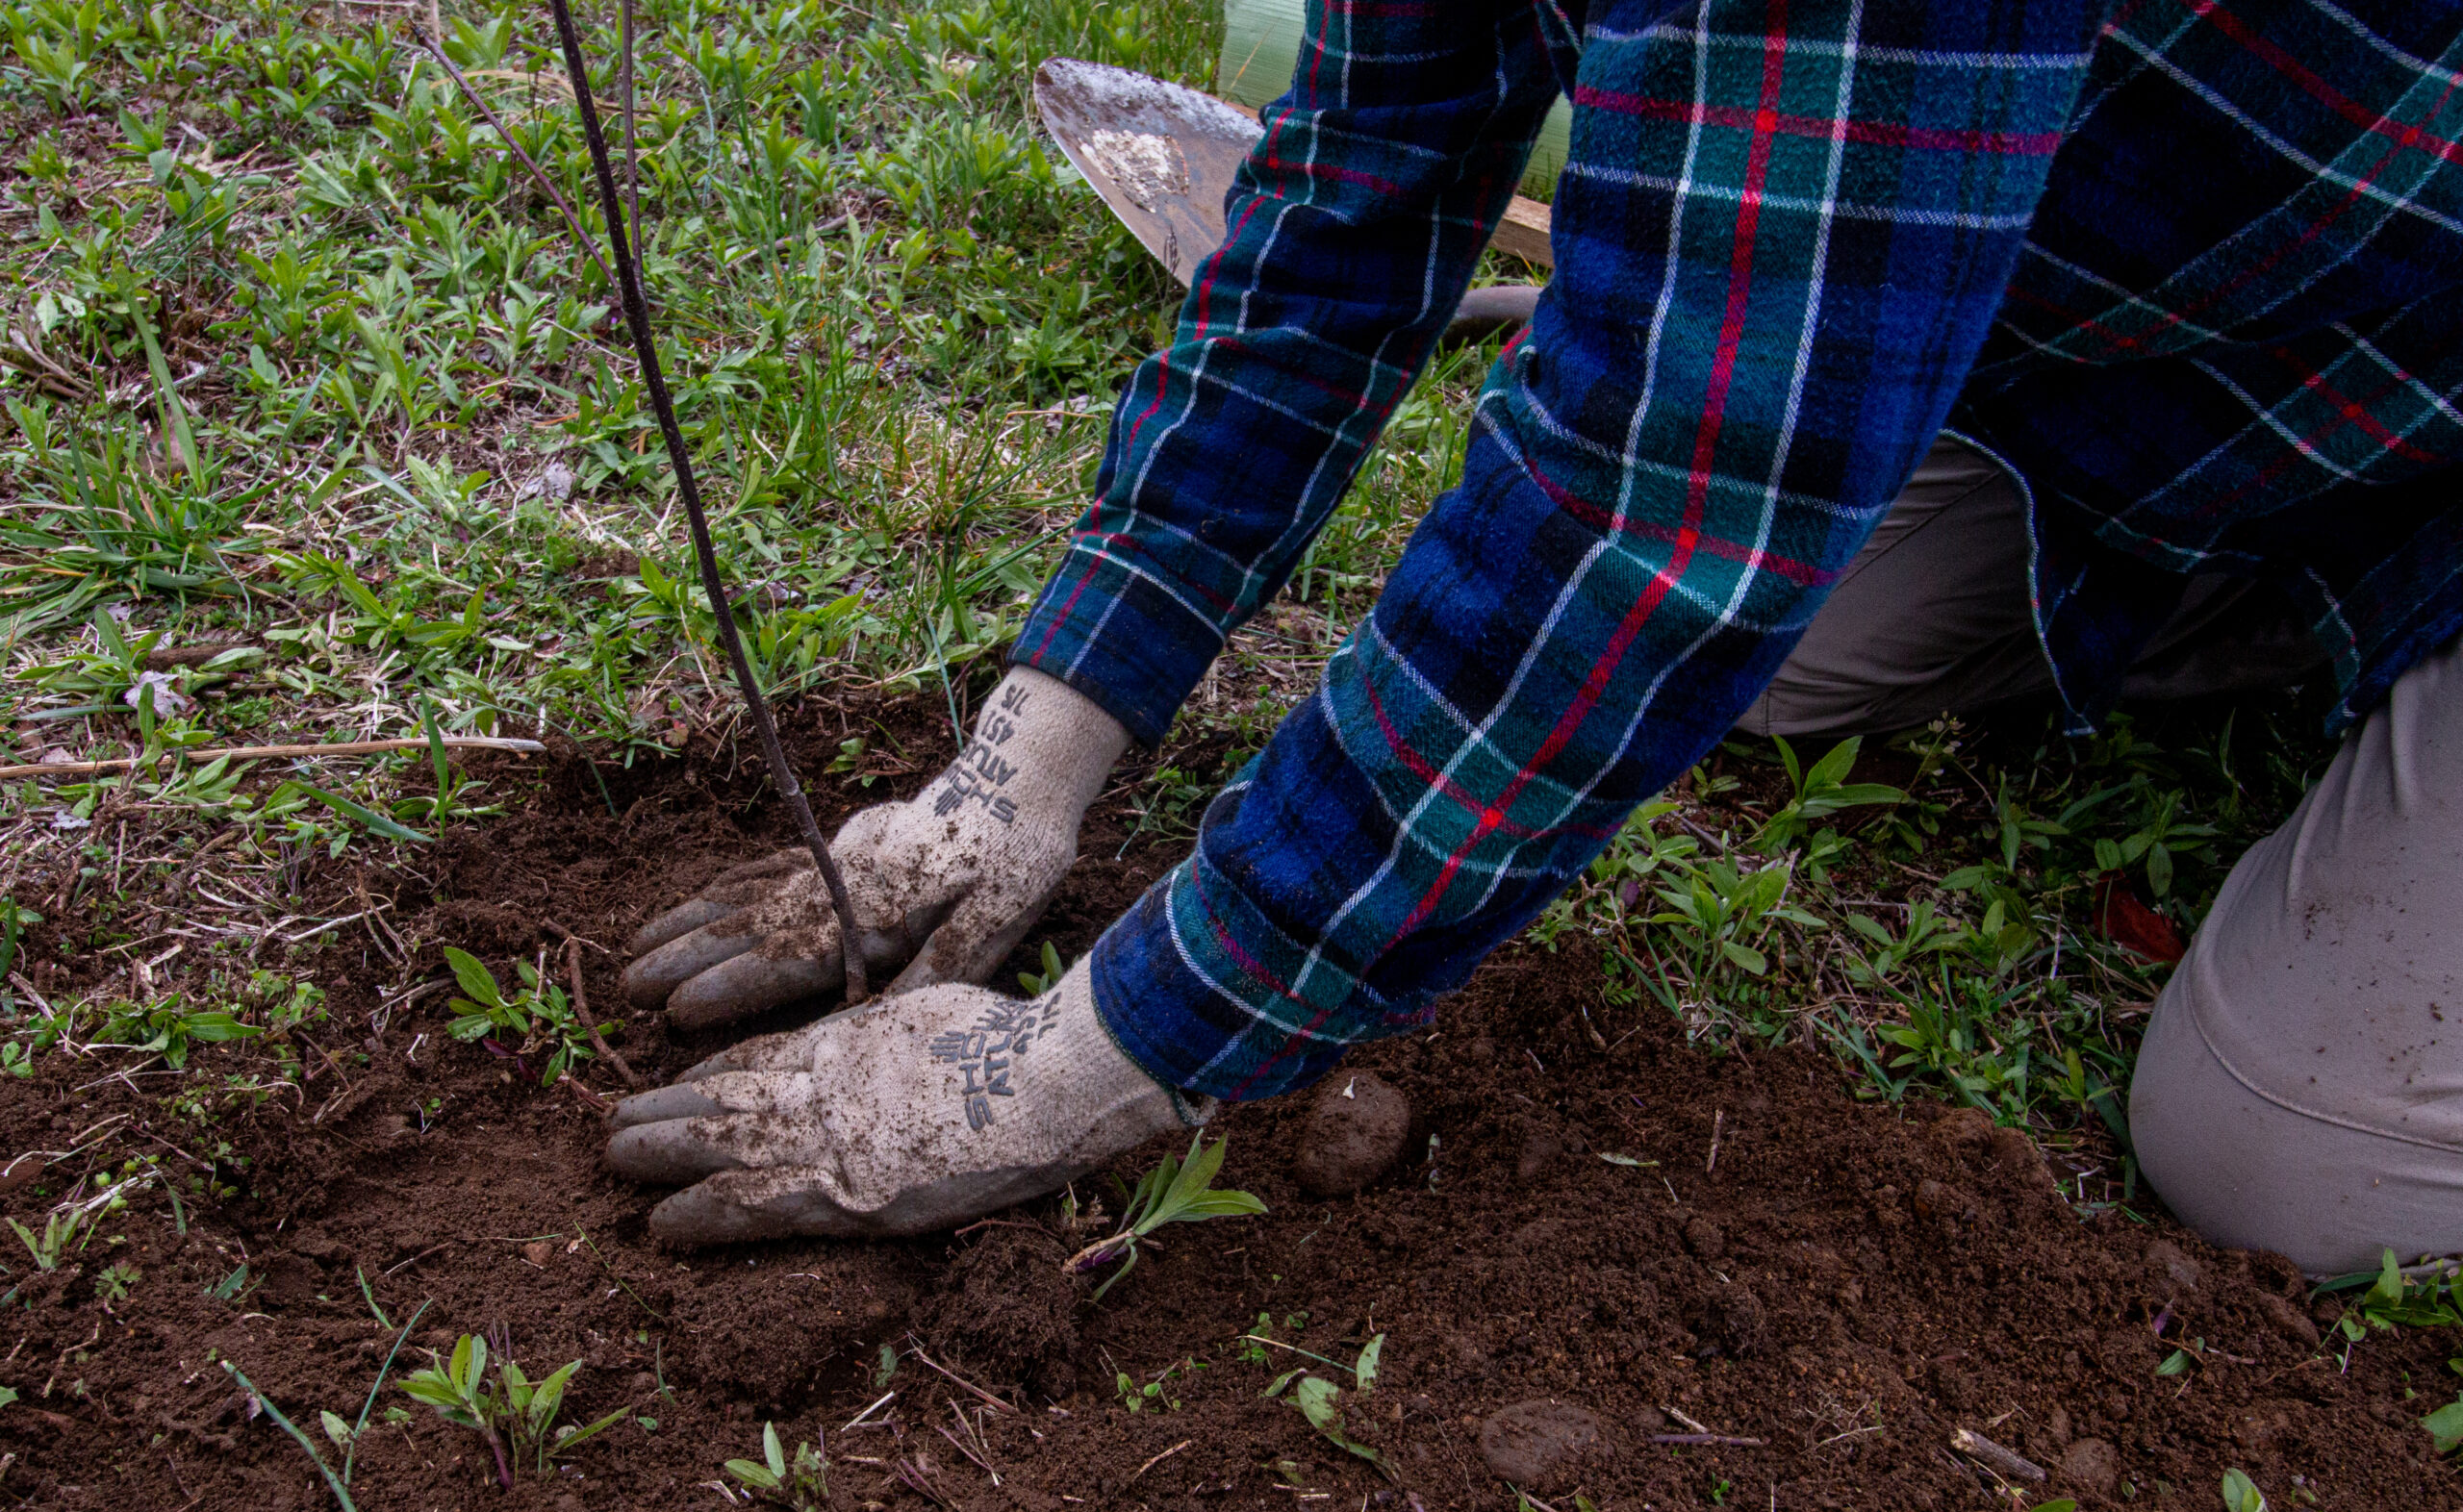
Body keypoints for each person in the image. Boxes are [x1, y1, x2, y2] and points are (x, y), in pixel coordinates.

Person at [603, 0, 2463, 1275]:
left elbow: (1678, 505)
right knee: (1787, 662)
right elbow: (1353, 195)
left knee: (2281, 1157)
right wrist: (1035, 748)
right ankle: (2269, 600)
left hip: (2401, 367)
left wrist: (1086, 1063)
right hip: (2235, 356)